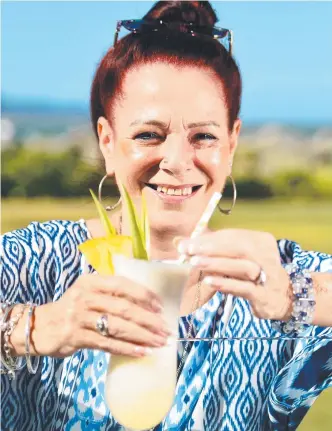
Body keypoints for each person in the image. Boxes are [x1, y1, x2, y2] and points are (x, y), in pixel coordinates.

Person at [1, 1, 332, 430]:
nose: (177, 160)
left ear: (231, 145)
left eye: (204, 136)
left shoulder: (268, 276)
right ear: (107, 141)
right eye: (149, 135)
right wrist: (34, 326)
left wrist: (294, 296)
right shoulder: (42, 262)